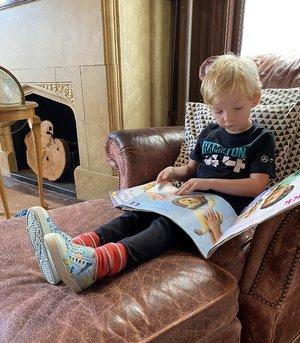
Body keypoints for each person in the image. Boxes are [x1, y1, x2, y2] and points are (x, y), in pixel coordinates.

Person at [26, 53, 275, 293]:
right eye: (218, 111)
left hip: (219, 211)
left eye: (237, 108)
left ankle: (96, 264)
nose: (227, 118)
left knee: (164, 225)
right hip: (191, 198)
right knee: (138, 214)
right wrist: (172, 172)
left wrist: (207, 181)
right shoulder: (209, 132)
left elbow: (257, 185)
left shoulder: (260, 139)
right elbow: (189, 169)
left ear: (254, 99)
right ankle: (73, 246)